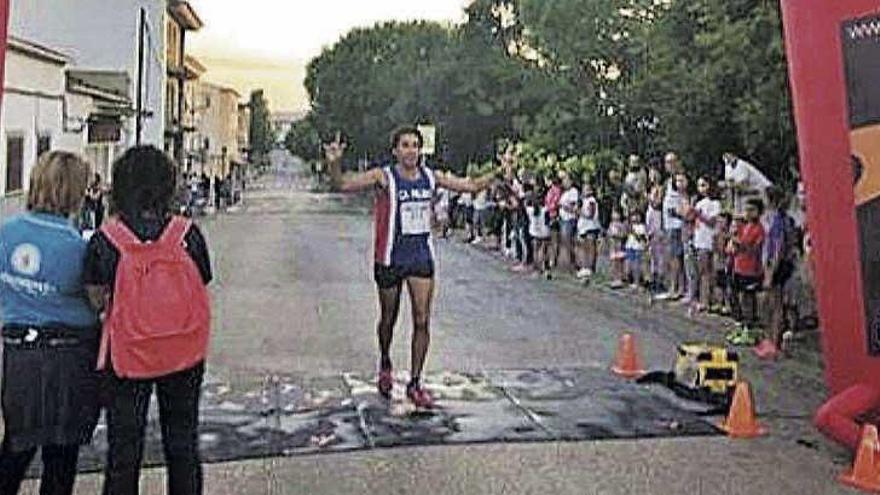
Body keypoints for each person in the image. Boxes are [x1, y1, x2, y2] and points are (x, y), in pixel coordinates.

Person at [325, 127, 500, 408]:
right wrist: (334, 163)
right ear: (395, 150)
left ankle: (415, 382)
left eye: (415, 146)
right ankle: (385, 360)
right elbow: (342, 185)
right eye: (405, 145)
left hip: (420, 257)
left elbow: (472, 186)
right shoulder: (384, 176)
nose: (411, 151)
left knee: (422, 320)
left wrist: (500, 172)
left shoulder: (431, 177)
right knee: (388, 319)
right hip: (390, 259)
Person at [84, 146, 212, 495]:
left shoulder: (107, 239)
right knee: (183, 444)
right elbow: (202, 282)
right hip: (184, 352)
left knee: (124, 451)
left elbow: (96, 298)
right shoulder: (187, 234)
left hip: (128, 355)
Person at [0, 151, 99, 495]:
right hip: (68, 359)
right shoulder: (79, 247)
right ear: (75, 191)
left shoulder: (5, 232)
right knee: (61, 456)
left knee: (14, 449)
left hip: (17, 357)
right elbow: (96, 301)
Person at [755, 187, 798, 359]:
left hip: (778, 265)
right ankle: (772, 339)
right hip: (779, 264)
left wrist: (770, 272)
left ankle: (774, 341)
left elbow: (778, 247)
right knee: (772, 304)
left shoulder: (779, 220)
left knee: (776, 304)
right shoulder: (781, 219)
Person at [730, 199, 766, 328]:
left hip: (752, 268)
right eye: (746, 210)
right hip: (739, 266)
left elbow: (755, 249)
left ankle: (750, 322)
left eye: (752, 210)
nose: (748, 213)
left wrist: (740, 244)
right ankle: (744, 320)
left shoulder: (759, 229)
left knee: (749, 296)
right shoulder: (743, 227)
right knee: (740, 295)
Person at [692, 177, 721, 312]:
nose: (701, 188)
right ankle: (704, 299)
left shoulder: (715, 203)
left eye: (704, 185)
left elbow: (711, 221)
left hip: (709, 240)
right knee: (702, 271)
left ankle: (710, 300)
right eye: (699, 185)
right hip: (699, 239)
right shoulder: (699, 203)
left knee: (709, 271)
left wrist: (698, 214)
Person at [576, 182, 601, 279]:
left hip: (590, 227)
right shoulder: (583, 200)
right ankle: (585, 266)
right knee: (584, 247)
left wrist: (580, 212)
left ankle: (590, 267)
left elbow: (590, 214)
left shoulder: (591, 201)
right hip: (583, 227)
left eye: (587, 189)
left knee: (590, 248)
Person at [625, 211, 647, 289]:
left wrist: (633, 232)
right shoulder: (630, 225)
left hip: (638, 248)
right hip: (629, 247)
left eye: (637, 216)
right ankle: (630, 280)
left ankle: (637, 282)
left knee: (636, 266)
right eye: (633, 216)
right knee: (629, 265)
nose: (635, 218)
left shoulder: (641, 227)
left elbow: (641, 238)